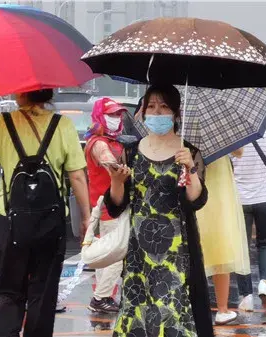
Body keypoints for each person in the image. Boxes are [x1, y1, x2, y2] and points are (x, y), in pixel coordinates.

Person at [102, 84, 214, 336]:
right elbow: (116, 205)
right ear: (143, 111)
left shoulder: (189, 152)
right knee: (138, 313)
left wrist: (190, 169)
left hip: (176, 252)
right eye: (151, 106)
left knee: (171, 311)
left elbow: (197, 200)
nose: (157, 112)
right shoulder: (131, 152)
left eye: (164, 107)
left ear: (175, 113)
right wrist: (116, 182)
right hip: (139, 252)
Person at [0, 89, 91, 337]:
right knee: (43, 292)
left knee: (10, 292)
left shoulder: (3, 122)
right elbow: (76, 176)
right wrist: (86, 217)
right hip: (51, 221)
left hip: (11, 220)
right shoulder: (62, 125)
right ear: (48, 92)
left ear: (20, 92)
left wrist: (2, 144)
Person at [232, 129, 266, 311]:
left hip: (240, 198)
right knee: (265, 243)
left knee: (242, 247)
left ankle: (246, 295)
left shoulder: (234, 137)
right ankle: (264, 283)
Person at [195, 152, 251, 325]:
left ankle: (190, 307)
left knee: (193, 248)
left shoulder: (185, 134)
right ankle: (222, 309)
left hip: (193, 181)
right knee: (221, 246)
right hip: (219, 186)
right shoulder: (220, 134)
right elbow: (240, 151)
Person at [84, 98, 127, 313]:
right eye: (111, 114)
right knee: (116, 254)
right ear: (100, 116)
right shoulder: (98, 143)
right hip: (109, 206)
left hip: (110, 206)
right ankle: (101, 297)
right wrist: (119, 169)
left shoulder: (114, 141)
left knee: (105, 254)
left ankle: (103, 296)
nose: (116, 119)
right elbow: (107, 161)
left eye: (119, 115)